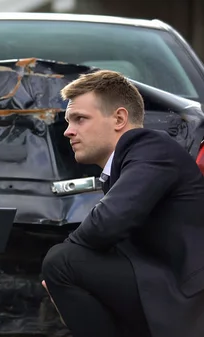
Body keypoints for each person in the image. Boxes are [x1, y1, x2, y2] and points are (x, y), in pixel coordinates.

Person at [41, 70, 204, 337]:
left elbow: (109, 222)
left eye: (80, 119)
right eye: (68, 121)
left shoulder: (150, 147)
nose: (68, 132)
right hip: (167, 287)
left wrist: (61, 268)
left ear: (119, 118)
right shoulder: (131, 161)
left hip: (189, 298)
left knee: (62, 261)